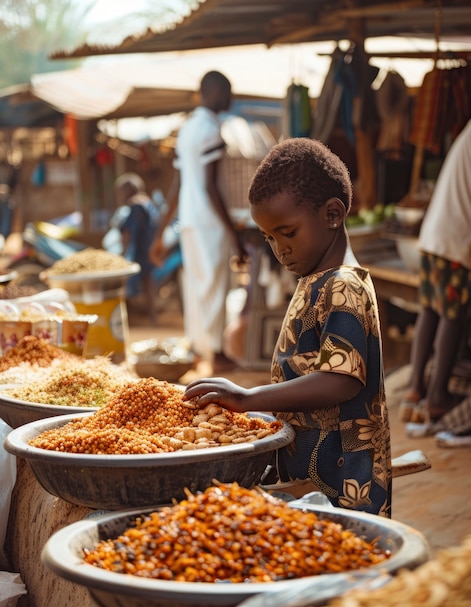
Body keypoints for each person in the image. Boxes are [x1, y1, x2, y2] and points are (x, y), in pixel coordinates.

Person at [183, 137, 392, 517]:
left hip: (344, 486)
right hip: (309, 478)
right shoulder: (315, 279)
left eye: (288, 233)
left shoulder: (344, 284)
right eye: (269, 238)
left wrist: (247, 400)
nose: (279, 249)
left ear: (332, 214)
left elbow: (340, 379)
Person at [149, 70, 246, 374]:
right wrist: (234, 234)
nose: (230, 98)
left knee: (196, 286)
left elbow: (177, 186)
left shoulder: (188, 128)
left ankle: (197, 348)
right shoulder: (210, 129)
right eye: (227, 91)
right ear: (214, 92)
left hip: (189, 220)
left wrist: (161, 231)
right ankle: (215, 353)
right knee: (215, 286)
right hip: (209, 221)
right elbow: (210, 187)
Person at [399, 119, 471, 432]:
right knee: (453, 315)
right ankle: (438, 396)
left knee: (431, 309)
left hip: (434, 235)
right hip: (456, 239)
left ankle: (416, 389)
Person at [111, 172, 160, 321]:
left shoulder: (135, 205)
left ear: (128, 190)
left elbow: (128, 232)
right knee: (147, 283)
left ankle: (124, 319)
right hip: (149, 248)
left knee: (124, 284)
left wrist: (123, 253)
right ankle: (153, 318)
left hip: (138, 250)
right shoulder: (148, 201)